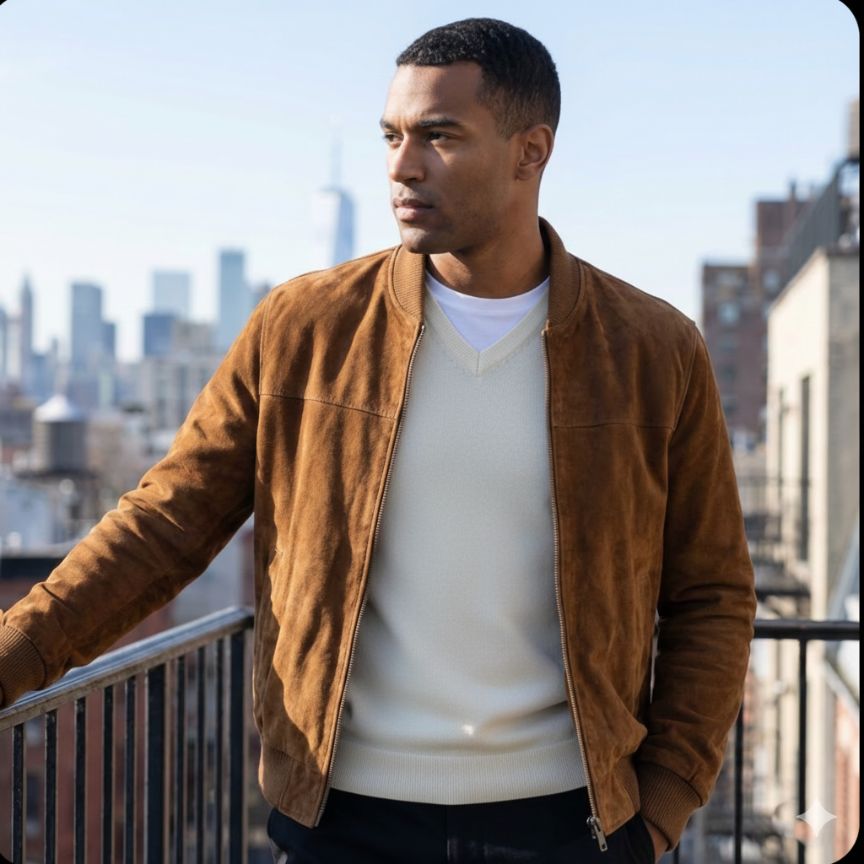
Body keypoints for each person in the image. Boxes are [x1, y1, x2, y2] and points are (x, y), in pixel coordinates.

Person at [0, 18, 756, 864]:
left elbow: (713, 594)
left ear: (529, 151)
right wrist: (15, 653)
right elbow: (165, 523)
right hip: (344, 819)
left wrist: (660, 809)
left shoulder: (652, 349)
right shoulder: (304, 328)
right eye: (392, 136)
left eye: (439, 136)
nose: (402, 166)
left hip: (567, 823)